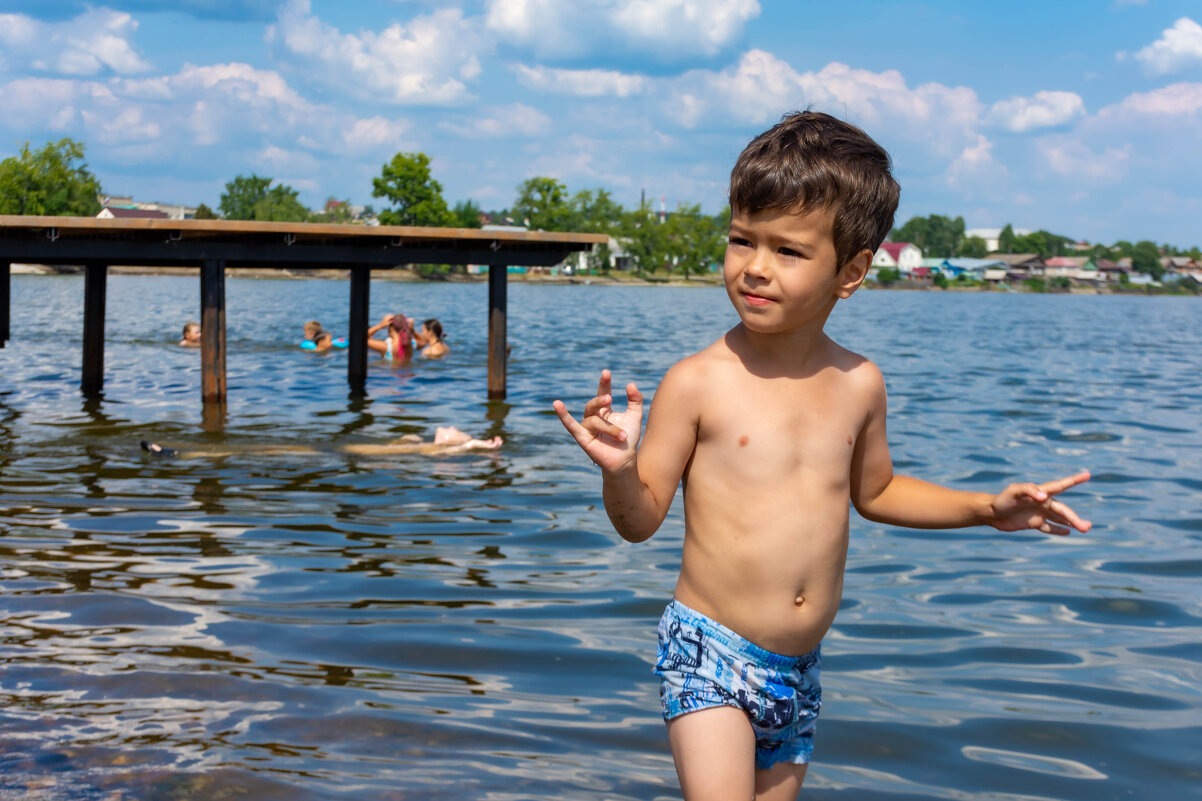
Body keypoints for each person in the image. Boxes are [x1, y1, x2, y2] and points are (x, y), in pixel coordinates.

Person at [552, 111, 1092, 801]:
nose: (754, 267)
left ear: (852, 272)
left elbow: (879, 491)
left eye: (788, 251)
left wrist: (987, 508)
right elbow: (639, 520)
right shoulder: (698, 381)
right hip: (709, 650)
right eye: (742, 240)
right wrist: (621, 473)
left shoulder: (859, 383)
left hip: (799, 667)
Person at [141, 427, 501, 459]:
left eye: (454, 430)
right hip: (345, 450)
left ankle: (183, 454)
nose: (448, 427)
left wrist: (478, 445)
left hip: (343, 452)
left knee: (262, 451)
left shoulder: (431, 449)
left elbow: (461, 448)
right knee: (264, 450)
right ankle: (181, 453)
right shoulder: (418, 442)